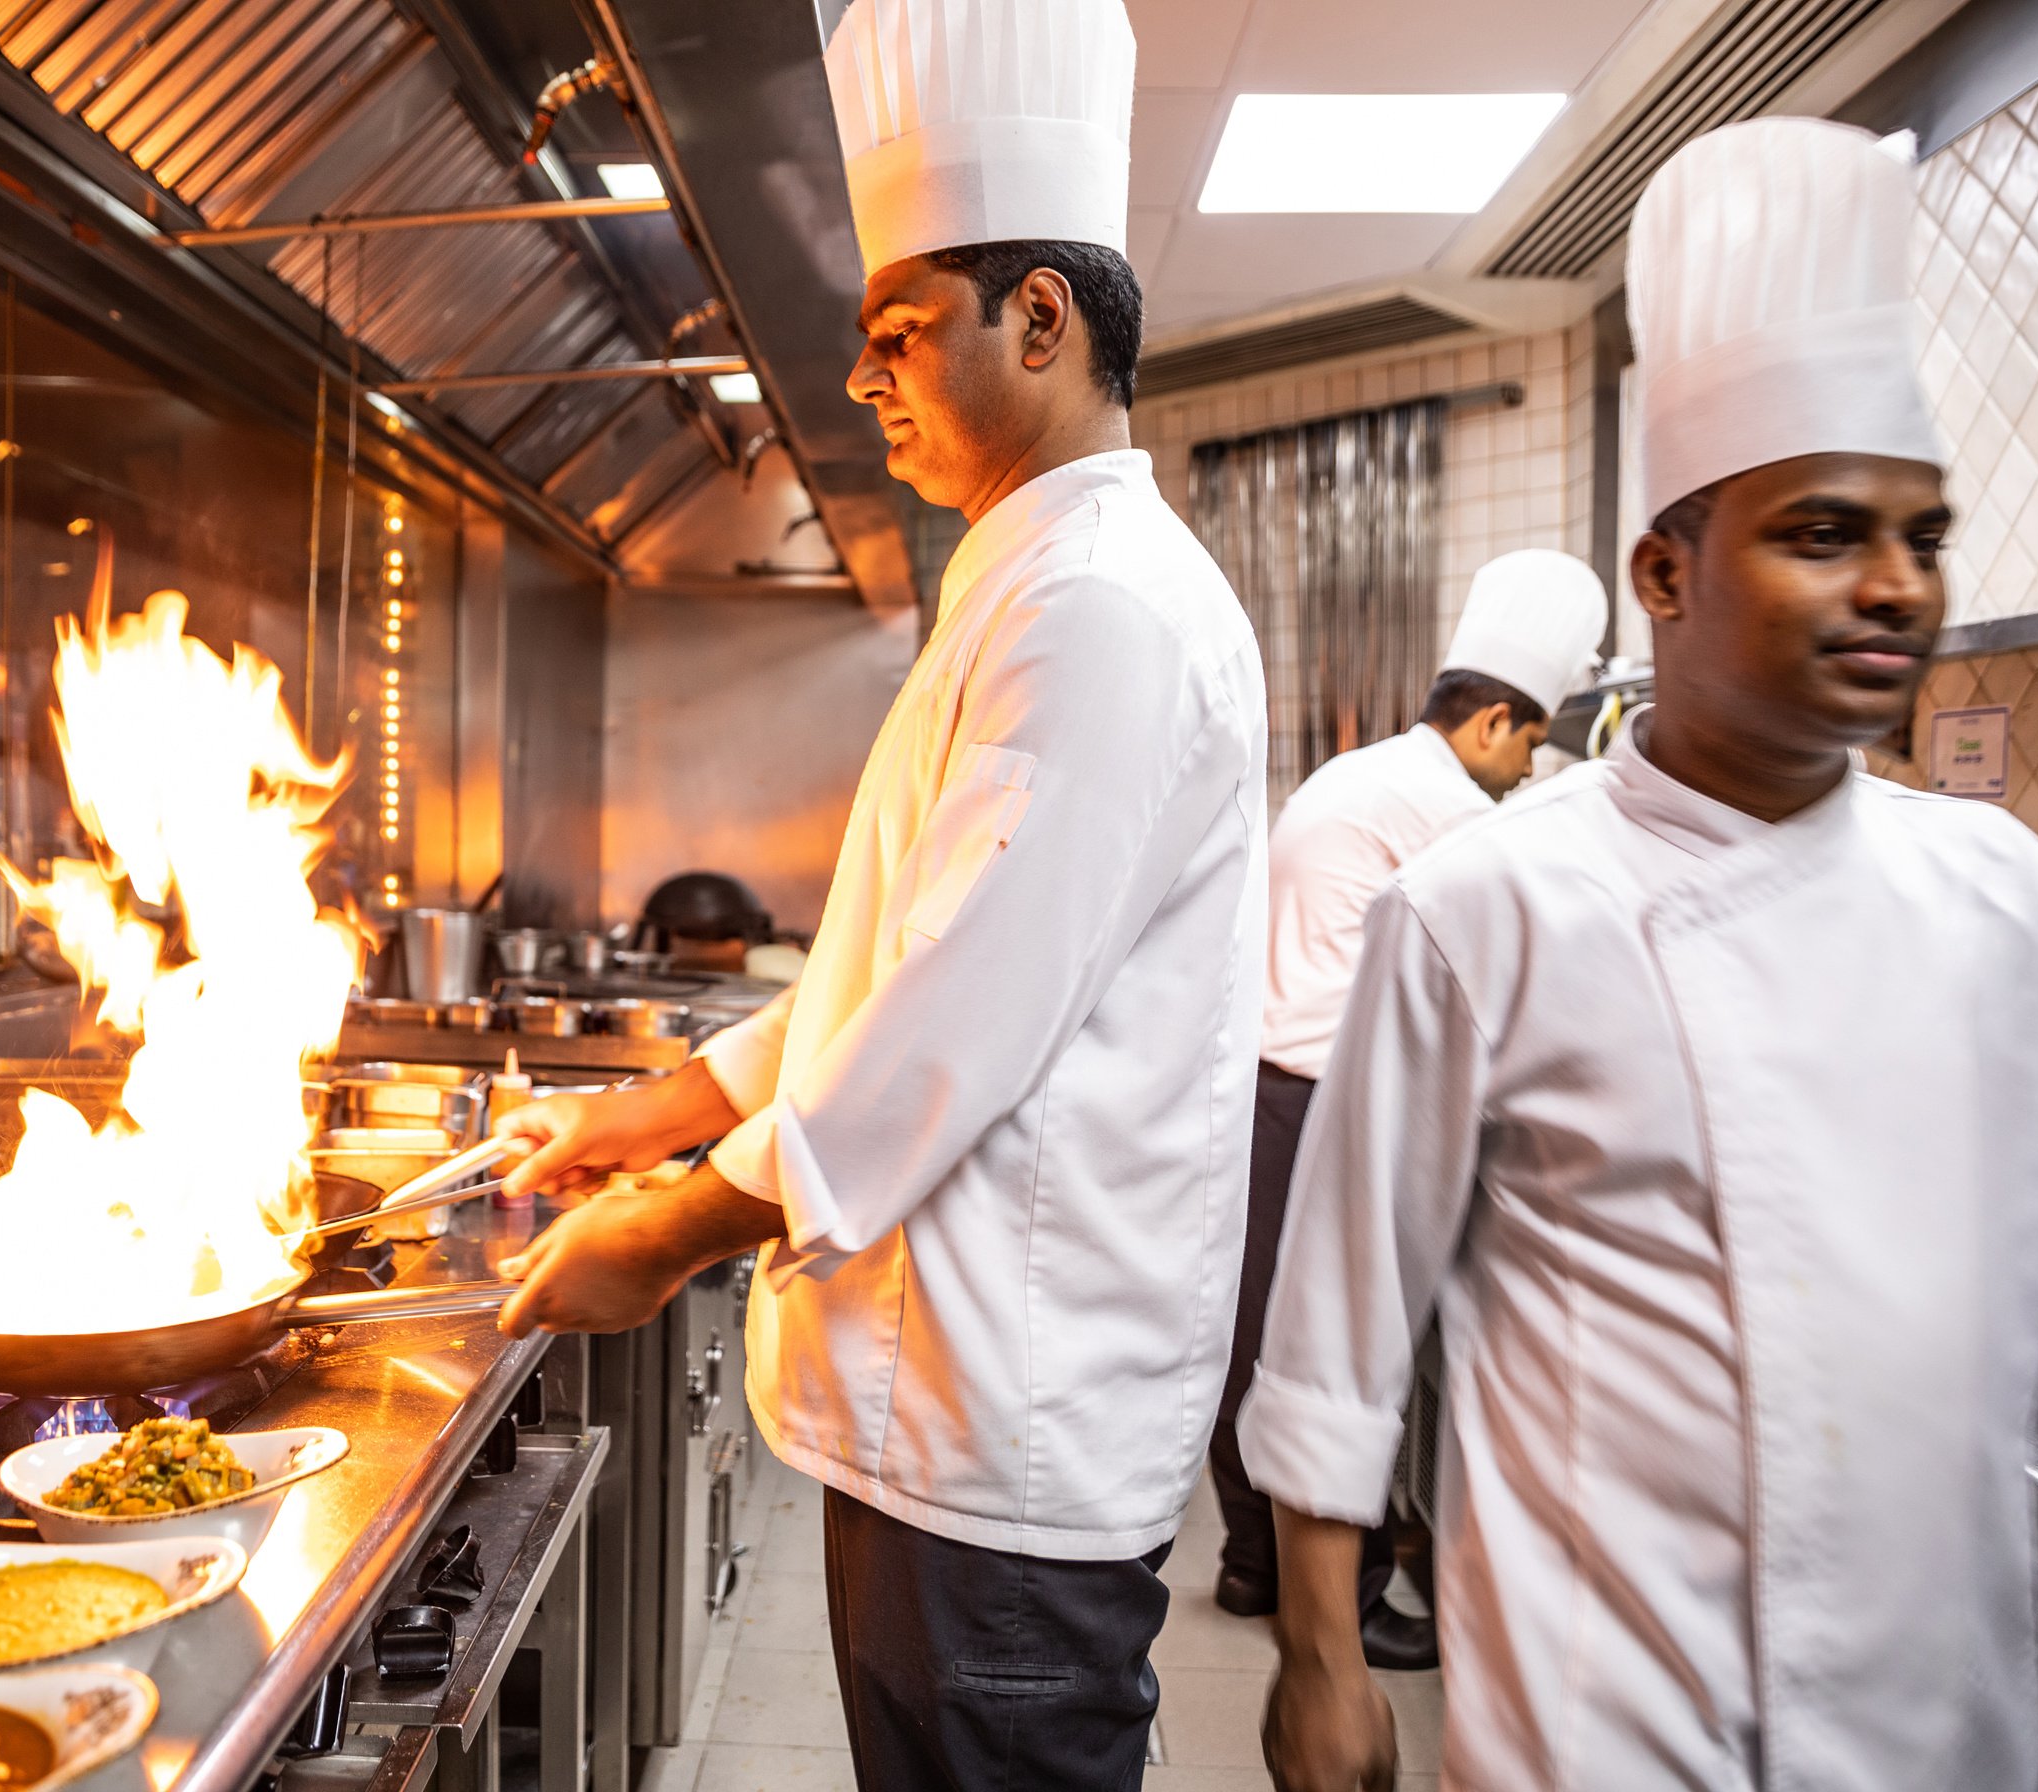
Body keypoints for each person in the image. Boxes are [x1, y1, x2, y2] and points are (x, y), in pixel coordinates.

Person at [1243, 116, 2038, 1792]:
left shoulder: (2011, 907)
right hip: (1598, 1734)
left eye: (1921, 535)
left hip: (1931, 1738)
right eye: (1821, 532)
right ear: (1661, 573)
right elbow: (1339, 1324)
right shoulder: (1488, 907)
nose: (1892, 584)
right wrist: (1320, 1652)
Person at [489, 0, 1267, 1784]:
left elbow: (948, 1019)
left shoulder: (1098, 611)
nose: (865, 381)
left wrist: (673, 1227)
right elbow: (896, 961)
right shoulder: (1025, 584)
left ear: (1041, 319)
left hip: (999, 1437)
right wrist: (668, 1108)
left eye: (897, 334)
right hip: (946, 1415)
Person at [1212, 549, 1608, 1675]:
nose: (1530, 763)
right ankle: (1355, 1595)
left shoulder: (1366, 771)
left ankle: (1253, 1562)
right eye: (1529, 739)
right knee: (1339, 1353)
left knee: (1257, 1341)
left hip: (1267, 1090)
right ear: (1490, 721)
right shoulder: (1445, 807)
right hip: (1319, 1098)